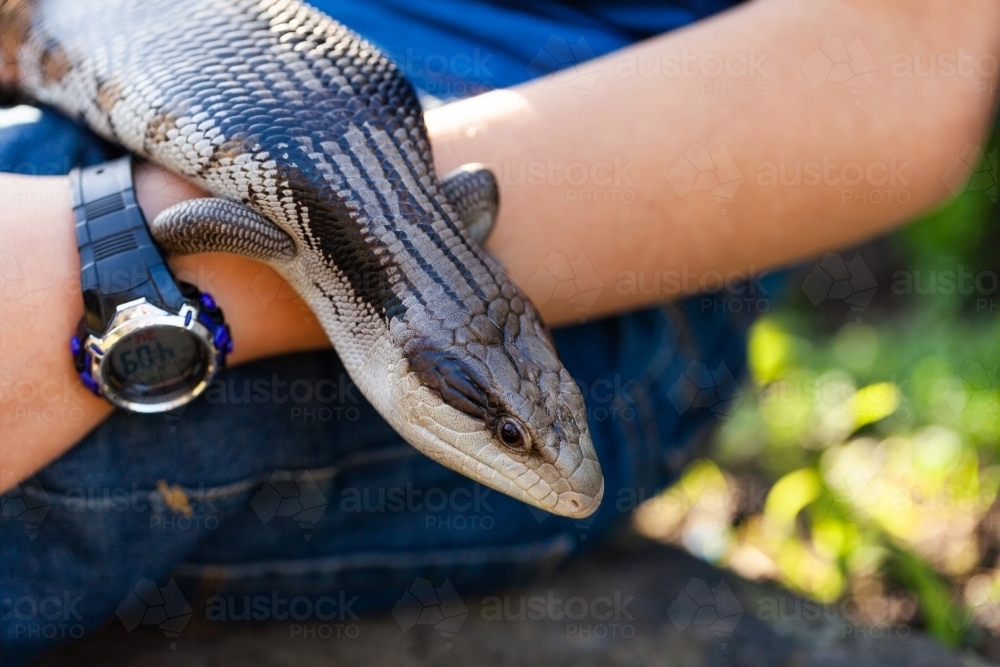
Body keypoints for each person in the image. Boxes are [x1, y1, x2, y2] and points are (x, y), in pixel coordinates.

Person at [1, 0, 997, 662]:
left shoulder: (367, 284)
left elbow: (912, 62)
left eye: (513, 429)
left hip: (603, 192)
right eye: (512, 435)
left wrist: (96, 272)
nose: (559, 467)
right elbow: (454, 208)